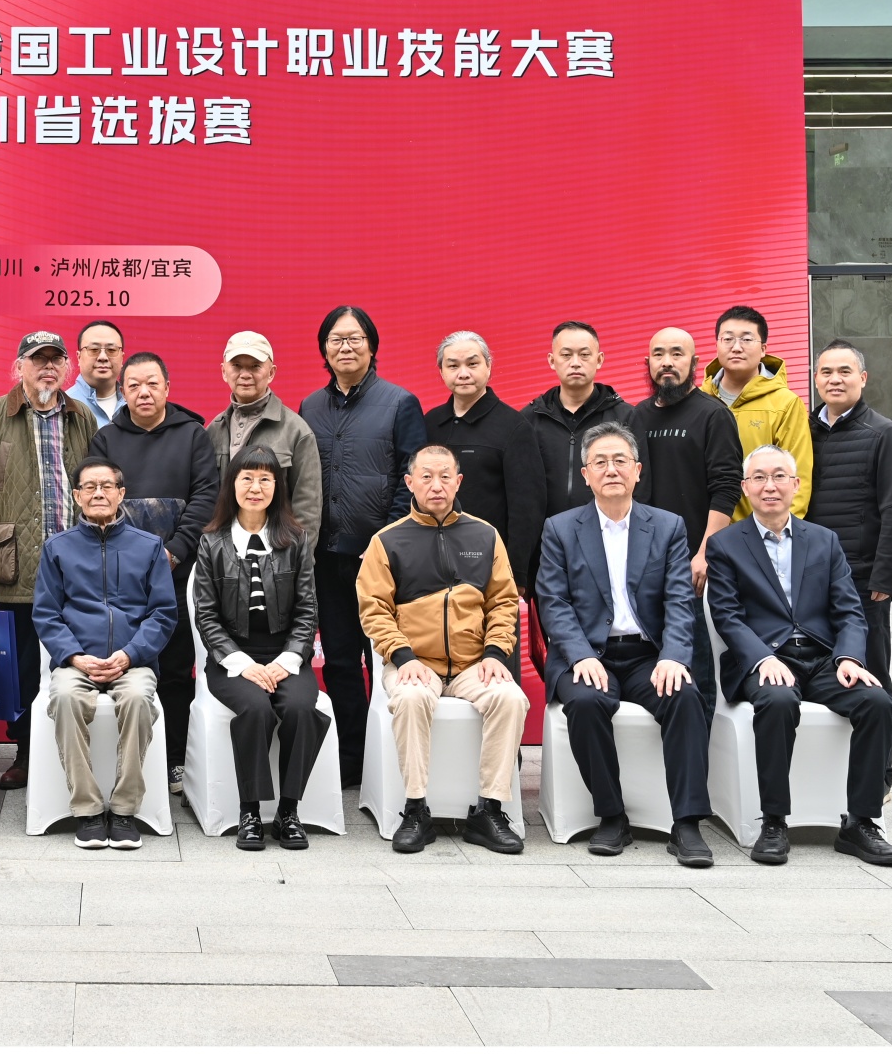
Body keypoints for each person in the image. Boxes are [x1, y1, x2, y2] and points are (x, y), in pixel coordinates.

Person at [708, 445, 892, 867]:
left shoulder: (823, 540)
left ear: (796, 485)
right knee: (778, 701)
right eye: (759, 477)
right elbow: (727, 616)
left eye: (779, 476)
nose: (770, 486)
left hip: (822, 658)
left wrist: (849, 658)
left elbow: (849, 611)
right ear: (745, 487)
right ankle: (774, 821)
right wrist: (762, 658)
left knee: (877, 702)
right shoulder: (725, 545)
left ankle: (861, 822)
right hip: (764, 659)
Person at [537, 423, 713, 868]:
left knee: (685, 697)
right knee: (585, 702)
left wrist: (674, 656)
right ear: (585, 474)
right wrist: (580, 655)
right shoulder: (560, 528)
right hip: (587, 654)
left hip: (647, 655)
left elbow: (679, 600)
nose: (611, 469)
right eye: (600, 462)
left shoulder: (667, 526)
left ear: (638, 471)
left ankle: (687, 822)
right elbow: (553, 602)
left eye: (620, 461)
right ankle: (612, 815)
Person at [357, 446, 529, 856]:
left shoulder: (485, 535)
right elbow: (373, 609)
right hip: (415, 662)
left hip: (474, 664)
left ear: (458, 482)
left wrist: (495, 654)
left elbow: (504, 602)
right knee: (411, 698)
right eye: (427, 476)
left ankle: (489, 810)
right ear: (410, 483)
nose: (436, 485)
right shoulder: (387, 540)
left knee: (510, 698)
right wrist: (403, 657)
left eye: (445, 476)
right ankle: (416, 810)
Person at [0, 330, 98, 791]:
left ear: (67, 367)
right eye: (37, 359)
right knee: (21, 665)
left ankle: (71, 749)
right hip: (14, 562)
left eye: (55, 360)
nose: (47, 368)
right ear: (18, 366)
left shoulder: (82, 418)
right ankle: (24, 750)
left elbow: (93, 489)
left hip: (74, 565)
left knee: (72, 657)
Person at [299, 306, 426, 788]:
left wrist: (385, 541)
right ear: (324, 350)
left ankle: (391, 755)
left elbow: (410, 478)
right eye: (336, 339)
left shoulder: (400, 403)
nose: (345, 347)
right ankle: (352, 756)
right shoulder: (310, 406)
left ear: (372, 346)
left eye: (355, 338)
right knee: (339, 658)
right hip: (327, 556)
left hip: (382, 559)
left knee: (387, 656)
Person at [89, 352, 220, 796]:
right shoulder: (106, 439)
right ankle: (126, 760)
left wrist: (176, 550)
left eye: (152, 384)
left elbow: (206, 497)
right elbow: (99, 497)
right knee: (127, 661)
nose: (143, 393)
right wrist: (131, 556)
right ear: (122, 391)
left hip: (179, 571)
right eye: (133, 385)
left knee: (177, 665)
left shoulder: (193, 434)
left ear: (167, 387)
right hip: (120, 574)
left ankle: (175, 758)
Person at [34, 457, 176, 850]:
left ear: (121, 493)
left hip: (133, 662)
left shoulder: (149, 547)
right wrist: (74, 656)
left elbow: (163, 613)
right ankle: (88, 810)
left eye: (107, 486)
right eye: (89, 487)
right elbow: (46, 613)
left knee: (137, 699)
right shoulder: (57, 548)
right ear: (76, 495)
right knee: (65, 697)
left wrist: (130, 655)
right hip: (77, 662)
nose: (98, 493)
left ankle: (125, 810)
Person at [192, 445, 327, 850]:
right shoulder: (212, 542)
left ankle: (288, 811)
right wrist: (241, 663)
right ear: (232, 485)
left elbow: (308, 610)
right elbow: (206, 617)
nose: (255, 487)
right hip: (232, 658)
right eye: (246, 478)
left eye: (265, 479)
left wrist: (288, 660)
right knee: (255, 708)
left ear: (277, 486)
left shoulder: (296, 539)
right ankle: (249, 811)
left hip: (285, 654)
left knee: (301, 708)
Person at [805, 339, 892, 792]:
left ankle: (881, 774)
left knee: (873, 675)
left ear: (862, 379)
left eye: (845, 371)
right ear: (816, 379)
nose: (835, 380)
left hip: (863, 579)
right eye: (826, 372)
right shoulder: (803, 430)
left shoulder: (882, 433)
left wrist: (883, 578)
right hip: (811, 579)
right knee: (825, 670)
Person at [623, 327, 743, 717]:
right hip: (643, 561)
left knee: (695, 659)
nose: (667, 362)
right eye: (659, 354)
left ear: (694, 362)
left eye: (677, 354)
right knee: (654, 660)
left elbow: (726, 487)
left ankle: (701, 736)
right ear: (648, 363)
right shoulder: (636, 416)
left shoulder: (713, 414)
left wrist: (705, 551)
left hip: (693, 562)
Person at [424, 330, 547, 606]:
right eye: (453, 365)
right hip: (432, 564)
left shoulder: (513, 426)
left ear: (489, 366)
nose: (463, 373)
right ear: (441, 371)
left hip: (490, 567)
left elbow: (527, 507)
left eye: (473, 363)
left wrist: (516, 573)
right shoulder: (430, 423)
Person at [524, 322, 632, 559]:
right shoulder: (529, 419)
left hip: (610, 541)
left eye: (584, 355)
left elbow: (640, 485)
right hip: (545, 546)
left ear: (599, 359)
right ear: (552, 360)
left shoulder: (625, 417)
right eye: (566, 355)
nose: (575, 362)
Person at [207, 331, 322, 543]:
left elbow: (308, 508)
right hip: (224, 552)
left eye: (255, 366)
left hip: (278, 552)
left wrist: (299, 557)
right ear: (224, 371)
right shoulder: (214, 430)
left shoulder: (297, 431)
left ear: (271, 373)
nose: (245, 374)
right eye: (237, 366)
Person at [700, 306, 813, 519]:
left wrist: (781, 532)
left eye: (746, 339)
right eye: (728, 339)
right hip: (704, 531)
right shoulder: (698, 401)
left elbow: (798, 477)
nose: (736, 347)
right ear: (717, 345)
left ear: (763, 349)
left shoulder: (785, 403)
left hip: (761, 531)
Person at [68, 319, 127, 423]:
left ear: (122, 358)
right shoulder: (64, 405)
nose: (103, 357)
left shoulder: (134, 404)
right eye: (94, 350)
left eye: (111, 350)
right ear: (79, 357)